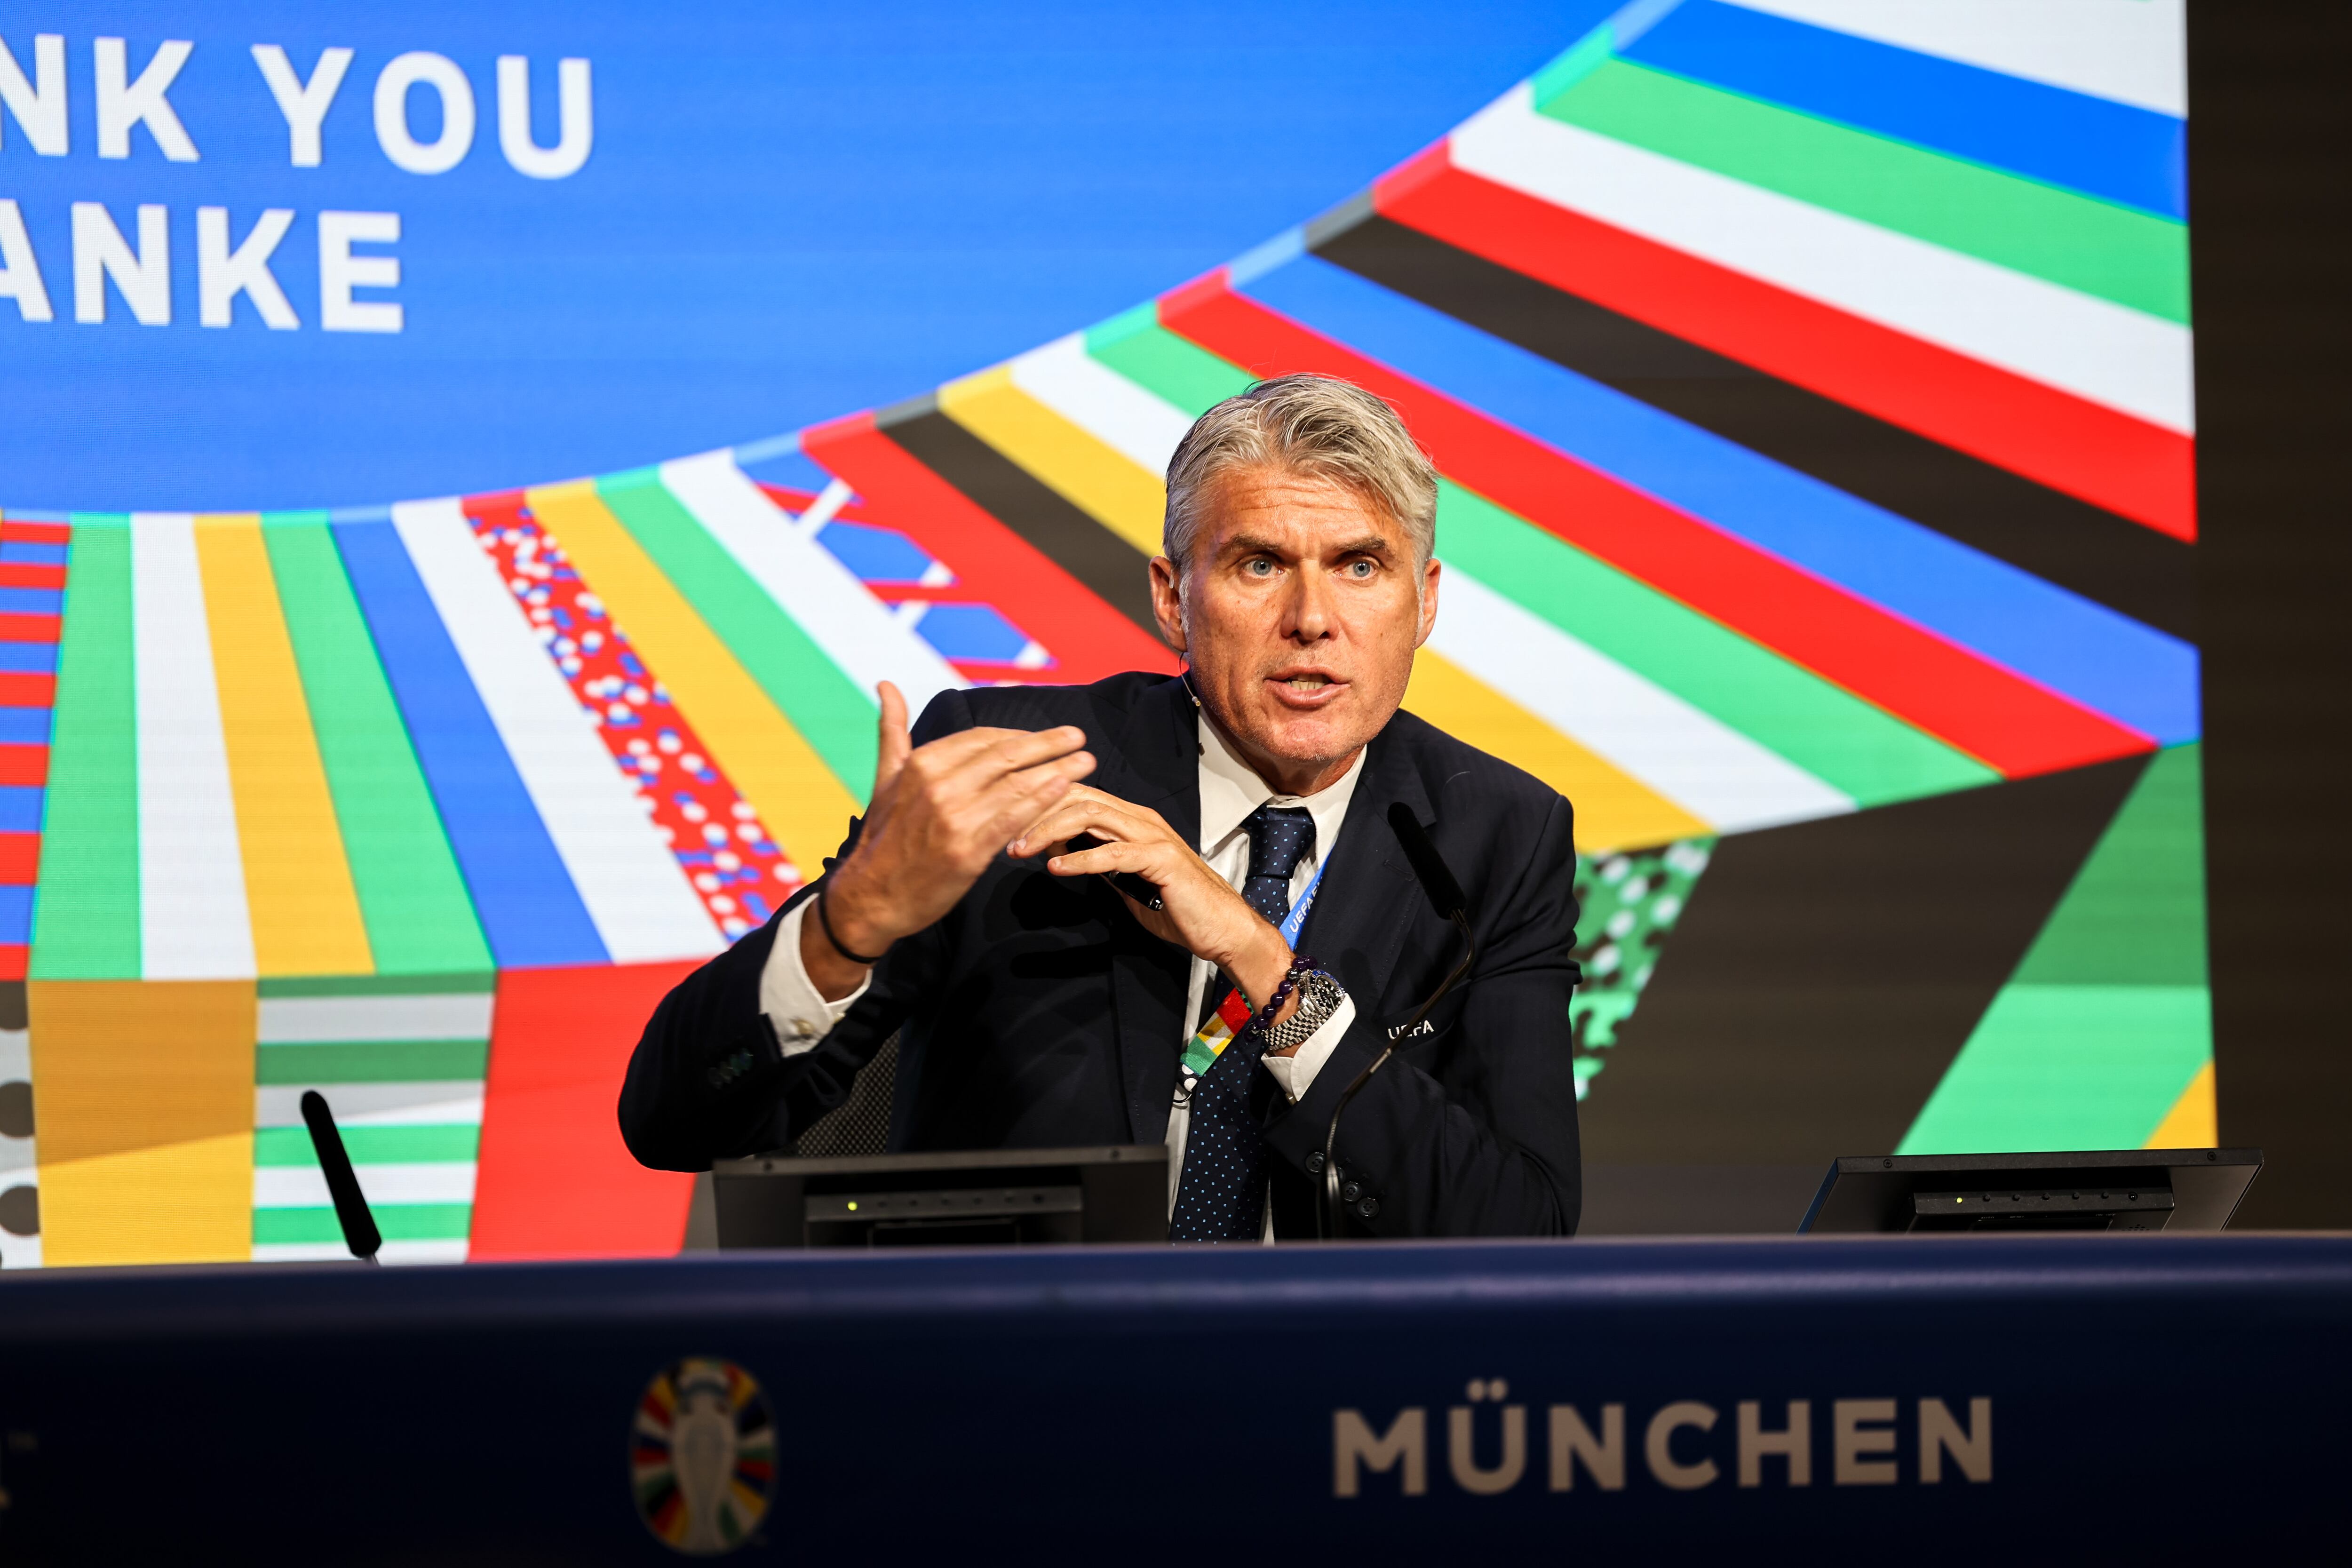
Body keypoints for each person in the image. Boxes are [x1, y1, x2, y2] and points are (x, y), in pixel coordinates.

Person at [620, 374, 1582, 1238]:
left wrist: (1261, 960)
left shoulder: (1493, 836)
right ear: (1172, 598)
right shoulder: (1017, 775)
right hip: (1025, 1381)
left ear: (1425, 602)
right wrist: (850, 923)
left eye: (1359, 567)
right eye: (1258, 564)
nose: (1312, 618)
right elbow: (674, 1122)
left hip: (1325, 1401)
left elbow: (1523, 1219)